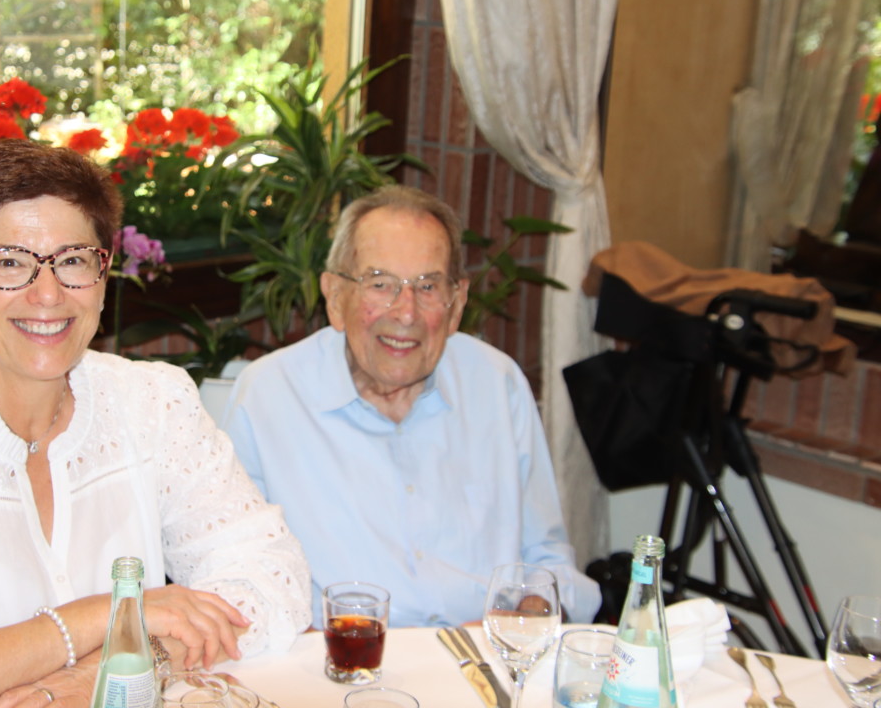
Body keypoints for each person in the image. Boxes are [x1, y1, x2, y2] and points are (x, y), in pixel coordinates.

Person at [0, 138, 310, 708]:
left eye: (73, 261)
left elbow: (272, 579)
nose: (48, 294)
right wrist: (106, 617)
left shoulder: (154, 402)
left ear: (104, 274)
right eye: (9, 263)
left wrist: (99, 674)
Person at [220, 184, 600, 628]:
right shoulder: (269, 397)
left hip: (484, 654)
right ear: (335, 297)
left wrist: (524, 619)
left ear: (456, 305)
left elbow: (546, 561)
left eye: (427, 286)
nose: (405, 312)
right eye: (380, 284)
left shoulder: (498, 385)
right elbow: (235, 577)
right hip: (340, 658)